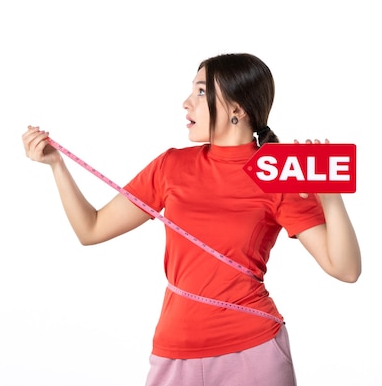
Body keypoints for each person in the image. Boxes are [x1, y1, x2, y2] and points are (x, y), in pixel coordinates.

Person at [21, 53, 361, 386]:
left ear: (237, 109)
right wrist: (56, 166)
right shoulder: (171, 166)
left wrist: (331, 199)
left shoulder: (276, 174)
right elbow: (91, 229)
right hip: (175, 349)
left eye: (200, 91)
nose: (187, 102)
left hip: (253, 351)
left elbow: (345, 269)